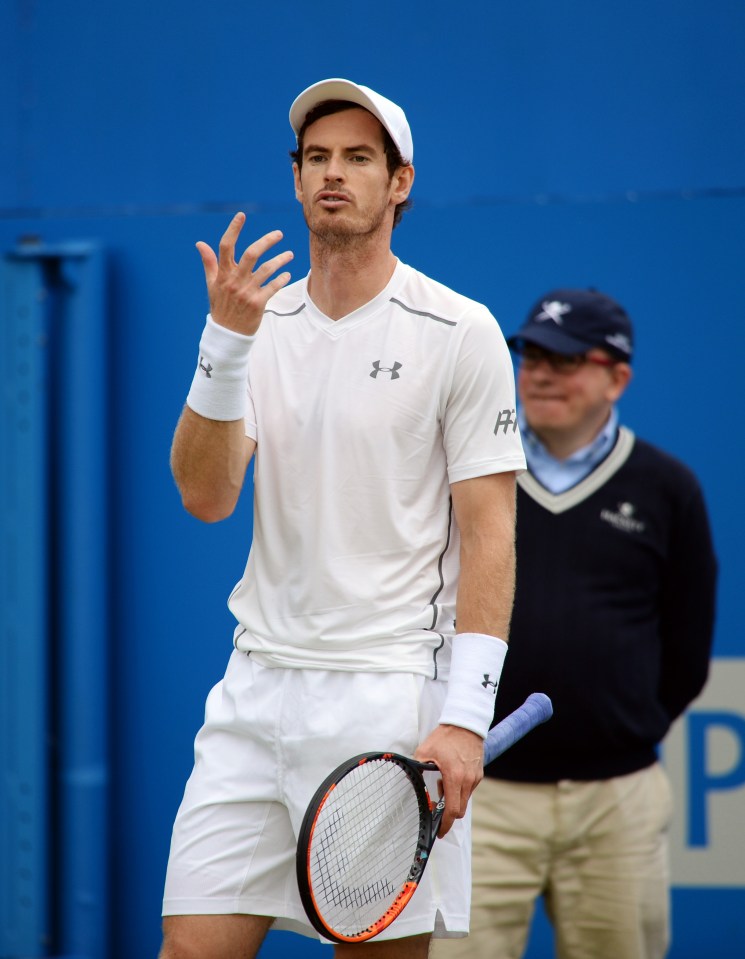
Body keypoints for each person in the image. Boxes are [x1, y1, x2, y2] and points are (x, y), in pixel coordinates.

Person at [159, 78, 526, 959]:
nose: (334, 174)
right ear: (294, 179)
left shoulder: (459, 330)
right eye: (317, 158)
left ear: (399, 183)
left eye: (359, 158)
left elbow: (490, 533)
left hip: (387, 698)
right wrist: (223, 345)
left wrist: (464, 715)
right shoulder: (249, 323)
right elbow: (205, 497)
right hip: (252, 691)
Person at [432, 287, 718, 959]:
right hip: (479, 795)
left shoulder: (666, 487)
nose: (539, 371)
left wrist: (619, 733)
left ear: (617, 376)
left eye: (564, 358)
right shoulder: (473, 471)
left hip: (615, 800)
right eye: (531, 353)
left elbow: (686, 647)